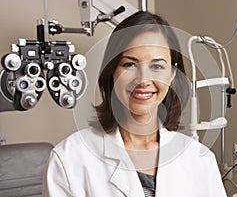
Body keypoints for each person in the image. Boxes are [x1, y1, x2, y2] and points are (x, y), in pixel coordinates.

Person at [42, 11, 227, 197]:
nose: (143, 80)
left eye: (157, 66)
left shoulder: (200, 160)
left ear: (172, 74)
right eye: (130, 64)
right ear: (112, 70)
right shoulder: (70, 158)